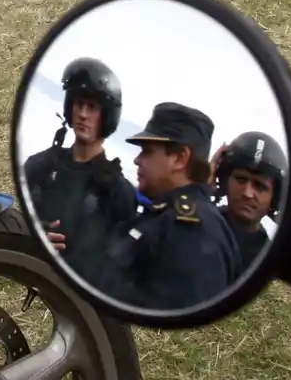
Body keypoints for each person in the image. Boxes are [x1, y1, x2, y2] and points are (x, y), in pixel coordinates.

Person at [97, 102, 240, 310]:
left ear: (180, 159)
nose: (137, 160)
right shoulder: (164, 217)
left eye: (147, 151)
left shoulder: (191, 232)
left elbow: (180, 329)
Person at [22, 58, 139, 285]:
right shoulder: (40, 166)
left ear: (106, 116)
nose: (83, 114)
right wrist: (34, 235)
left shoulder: (119, 192)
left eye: (92, 107)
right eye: (79, 104)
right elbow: (18, 221)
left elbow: (121, 263)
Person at [212, 131, 287, 275]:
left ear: (275, 197)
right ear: (224, 179)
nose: (247, 193)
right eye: (240, 179)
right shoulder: (199, 222)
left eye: (260, 186)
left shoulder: (266, 258)